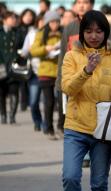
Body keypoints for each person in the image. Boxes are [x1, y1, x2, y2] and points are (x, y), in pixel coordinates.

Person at [61, 10, 111, 191]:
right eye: (88, 31)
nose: (94, 36)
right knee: (70, 177)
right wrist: (87, 70)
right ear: (82, 33)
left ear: (106, 32)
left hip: (104, 131)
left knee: (99, 184)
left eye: (99, 31)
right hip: (76, 128)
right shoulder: (71, 56)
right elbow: (67, 88)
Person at [55, 0, 95, 167]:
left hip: (95, 80)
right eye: (78, 2)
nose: (81, 6)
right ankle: (83, 153)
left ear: (91, 4)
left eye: (85, 2)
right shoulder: (70, 27)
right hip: (74, 80)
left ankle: (94, 152)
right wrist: (60, 79)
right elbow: (63, 55)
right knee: (75, 114)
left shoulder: (101, 22)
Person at [30, 10, 62, 140]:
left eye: (57, 22)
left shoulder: (61, 33)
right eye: (52, 22)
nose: (55, 24)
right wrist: (46, 49)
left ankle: (61, 126)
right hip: (45, 72)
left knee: (60, 102)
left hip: (59, 71)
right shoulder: (41, 33)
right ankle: (48, 128)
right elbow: (33, 50)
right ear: (48, 22)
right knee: (49, 102)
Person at [21, 13, 45, 131]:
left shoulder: (53, 35)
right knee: (34, 101)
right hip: (35, 72)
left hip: (49, 73)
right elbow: (24, 52)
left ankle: (47, 123)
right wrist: (28, 50)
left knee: (48, 102)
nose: (43, 23)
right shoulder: (31, 34)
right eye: (42, 21)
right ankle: (37, 121)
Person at [0, 11, 20, 124]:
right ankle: (3, 115)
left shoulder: (17, 32)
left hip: (14, 66)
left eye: (14, 18)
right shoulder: (0, 32)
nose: (14, 20)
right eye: (11, 18)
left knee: (14, 90)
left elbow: (23, 46)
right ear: (5, 19)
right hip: (1, 66)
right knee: (1, 92)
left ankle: (12, 116)